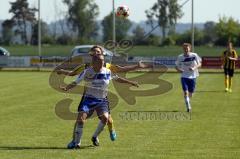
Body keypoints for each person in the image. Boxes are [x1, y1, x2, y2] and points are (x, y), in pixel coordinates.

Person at [57, 45, 152, 141]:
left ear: (102, 54)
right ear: (91, 54)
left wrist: (137, 66)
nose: (96, 53)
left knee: (109, 120)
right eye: (94, 52)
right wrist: (62, 71)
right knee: (80, 119)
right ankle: (76, 141)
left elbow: (121, 69)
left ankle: (110, 130)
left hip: (102, 97)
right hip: (87, 97)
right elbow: (72, 73)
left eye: (98, 52)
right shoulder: (85, 67)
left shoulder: (106, 66)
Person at [175, 43, 201, 112]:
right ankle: (188, 107)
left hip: (193, 76)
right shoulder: (180, 57)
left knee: (191, 93)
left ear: (190, 49)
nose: (186, 50)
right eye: (184, 48)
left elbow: (199, 64)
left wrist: (194, 68)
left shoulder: (194, 55)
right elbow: (176, 66)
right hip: (184, 76)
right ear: (183, 49)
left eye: (187, 48)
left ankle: (187, 100)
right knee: (185, 92)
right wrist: (179, 70)